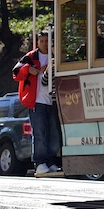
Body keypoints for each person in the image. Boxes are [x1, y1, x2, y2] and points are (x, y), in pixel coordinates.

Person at [12, 31, 61, 175]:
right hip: (37, 101)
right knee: (39, 133)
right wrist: (29, 69)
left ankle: (51, 161)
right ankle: (40, 162)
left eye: (47, 41)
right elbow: (16, 72)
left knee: (53, 133)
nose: (45, 43)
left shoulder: (55, 56)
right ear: (37, 42)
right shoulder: (31, 57)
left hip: (53, 100)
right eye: (42, 41)